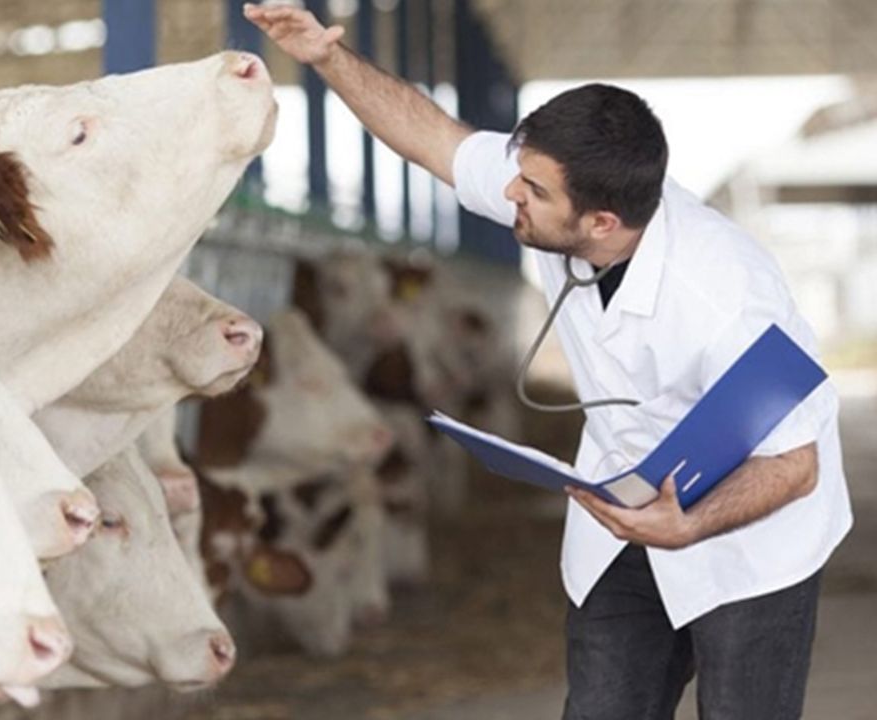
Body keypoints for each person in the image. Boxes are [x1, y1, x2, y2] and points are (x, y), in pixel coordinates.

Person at [243, 4, 853, 719]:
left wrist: (688, 525)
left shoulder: (727, 297)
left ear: (601, 222)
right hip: (621, 508)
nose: (511, 195)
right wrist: (325, 57)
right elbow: (433, 138)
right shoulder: (557, 193)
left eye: (532, 191)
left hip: (748, 541)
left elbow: (794, 464)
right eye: (520, 177)